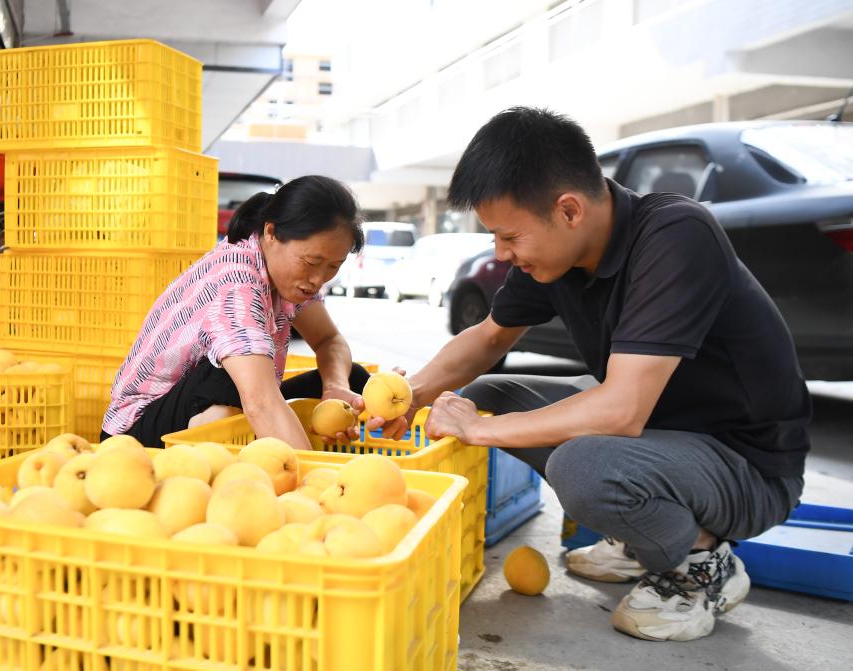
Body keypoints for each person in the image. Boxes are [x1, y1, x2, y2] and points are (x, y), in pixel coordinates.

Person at [377, 107, 810, 642]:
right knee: (490, 392)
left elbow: (622, 410)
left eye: (508, 236)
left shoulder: (676, 235)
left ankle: (702, 562)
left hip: (748, 466)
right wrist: (411, 397)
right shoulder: (556, 252)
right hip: (664, 438)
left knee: (583, 466)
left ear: (569, 210)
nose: (501, 253)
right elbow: (489, 338)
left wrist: (476, 430)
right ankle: (644, 537)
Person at [101, 175, 372, 450]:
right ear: (271, 232)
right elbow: (261, 403)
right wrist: (314, 480)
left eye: (332, 267)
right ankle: (221, 456)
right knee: (233, 374)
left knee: (354, 379)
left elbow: (328, 340)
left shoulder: (288, 275)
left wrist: (334, 387)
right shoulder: (235, 283)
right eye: (312, 262)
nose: (317, 279)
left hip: (234, 401)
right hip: (135, 435)